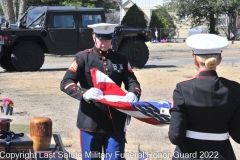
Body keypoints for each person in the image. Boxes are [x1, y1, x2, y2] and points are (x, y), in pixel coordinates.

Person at [60, 23, 141, 160]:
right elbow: (66, 83)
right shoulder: (83, 58)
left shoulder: (120, 58)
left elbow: (132, 82)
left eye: (108, 39)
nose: (104, 42)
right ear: (94, 37)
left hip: (115, 122)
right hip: (91, 122)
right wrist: (84, 93)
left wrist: (134, 92)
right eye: (101, 39)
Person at [169, 34, 240, 160]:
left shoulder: (182, 89)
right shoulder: (234, 89)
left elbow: (175, 137)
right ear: (219, 60)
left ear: (195, 60)